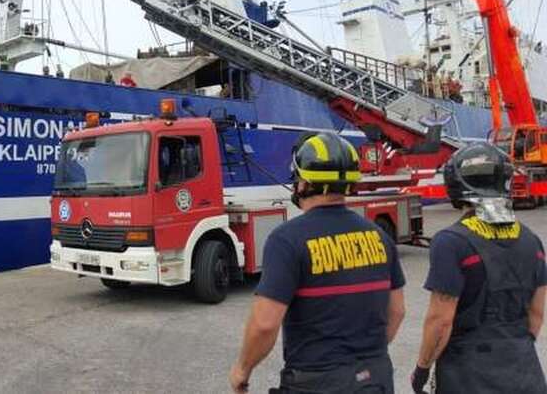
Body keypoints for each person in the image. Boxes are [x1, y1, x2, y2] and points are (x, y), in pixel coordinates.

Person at [229, 132, 406, 394]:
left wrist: (242, 370)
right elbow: (397, 311)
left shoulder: (286, 240)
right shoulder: (379, 237)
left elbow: (265, 324)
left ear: (304, 183)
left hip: (316, 381)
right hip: (376, 378)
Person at [411, 143, 547, 394]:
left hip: (467, 377)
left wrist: (422, 369)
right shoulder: (532, 242)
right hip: (526, 375)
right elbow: (537, 314)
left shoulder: (451, 242)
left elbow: (440, 321)